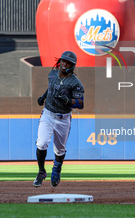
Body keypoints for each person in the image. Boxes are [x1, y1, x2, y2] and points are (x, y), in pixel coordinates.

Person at [33, 51, 84, 188]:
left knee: (59, 150)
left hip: (63, 118)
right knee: (42, 143)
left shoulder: (75, 82)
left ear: (72, 66)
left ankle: (56, 169)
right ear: (59, 61)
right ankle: (41, 171)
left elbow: (81, 103)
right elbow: (50, 87)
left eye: (68, 62)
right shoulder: (52, 74)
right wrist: (43, 97)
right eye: (63, 61)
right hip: (48, 114)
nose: (64, 64)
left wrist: (67, 100)